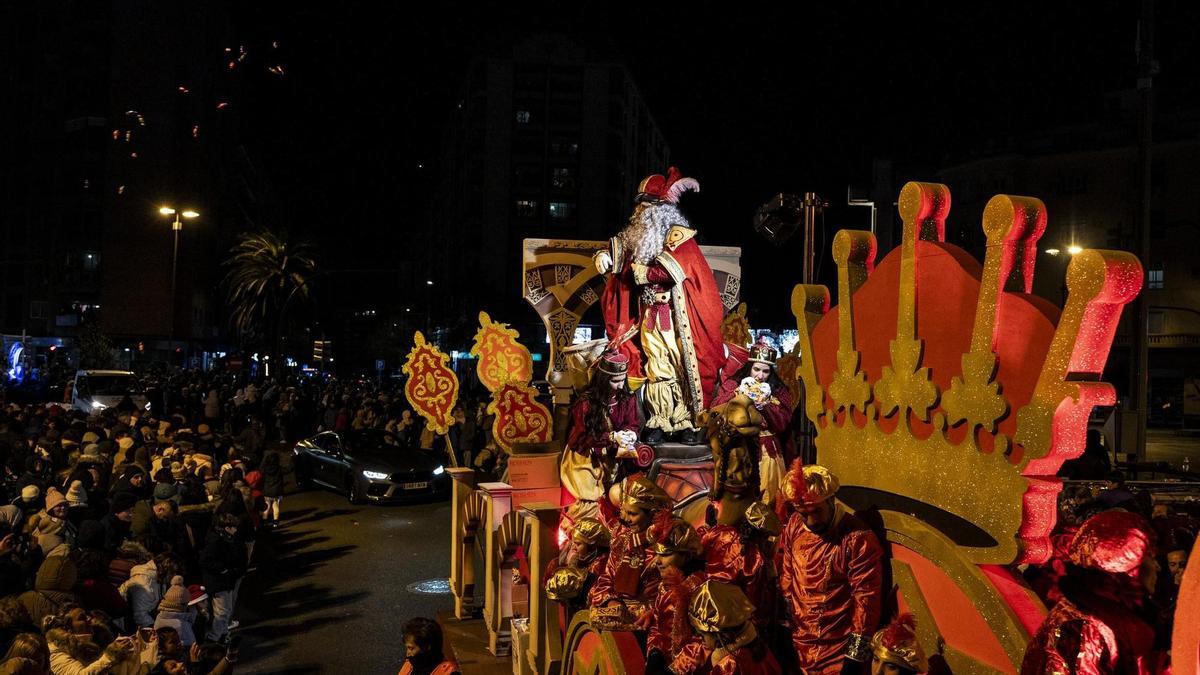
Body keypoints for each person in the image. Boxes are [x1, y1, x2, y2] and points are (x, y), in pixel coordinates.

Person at [594, 167, 726, 445]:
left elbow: (675, 270)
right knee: (657, 369)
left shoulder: (681, 238)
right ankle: (660, 420)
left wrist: (645, 274)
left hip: (677, 320)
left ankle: (687, 422)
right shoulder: (639, 237)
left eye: (645, 207)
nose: (639, 213)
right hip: (649, 317)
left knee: (681, 369)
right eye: (639, 207)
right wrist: (605, 257)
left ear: (661, 210)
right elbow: (623, 255)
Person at [1021, 510, 1166, 674]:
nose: (1158, 567)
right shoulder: (1081, 626)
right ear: (1126, 561)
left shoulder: (1111, 616)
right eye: (1150, 557)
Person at [779, 464, 883, 675]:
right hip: (798, 642)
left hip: (837, 650)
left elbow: (866, 600)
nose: (810, 521)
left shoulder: (857, 539)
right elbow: (788, 575)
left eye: (816, 511)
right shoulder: (794, 526)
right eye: (802, 513)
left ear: (831, 500)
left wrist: (854, 658)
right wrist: (784, 623)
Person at [560, 351, 640, 524]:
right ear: (603, 379)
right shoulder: (586, 403)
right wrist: (612, 436)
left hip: (612, 456)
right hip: (584, 457)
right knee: (587, 505)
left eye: (622, 380)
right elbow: (583, 436)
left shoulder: (626, 398)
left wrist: (630, 433)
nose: (620, 386)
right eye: (615, 381)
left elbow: (632, 422)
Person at [711, 339, 793, 504]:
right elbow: (715, 409)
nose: (760, 376)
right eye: (756, 369)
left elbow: (782, 423)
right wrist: (736, 394)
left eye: (765, 371)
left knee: (768, 499)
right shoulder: (733, 384)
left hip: (767, 451)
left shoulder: (777, 391)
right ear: (749, 368)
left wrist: (765, 405)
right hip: (738, 448)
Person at [587, 477, 672, 629]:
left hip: (652, 619)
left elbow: (677, 588)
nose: (625, 519)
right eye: (623, 511)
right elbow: (607, 576)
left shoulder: (666, 542)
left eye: (632, 514)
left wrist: (655, 612)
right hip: (619, 610)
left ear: (651, 514)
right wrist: (611, 602)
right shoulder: (622, 537)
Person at [642, 512, 706, 675]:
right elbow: (657, 626)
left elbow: (705, 641)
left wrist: (675, 669)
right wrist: (655, 652)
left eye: (665, 555)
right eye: (656, 553)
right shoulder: (665, 586)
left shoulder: (700, 589)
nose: (657, 561)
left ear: (686, 555)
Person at [687, 580, 782, 675]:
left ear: (718, 633)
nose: (702, 641)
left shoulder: (729, 666)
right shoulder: (759, 648)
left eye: (702, 635)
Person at [200, 514, 247, 643]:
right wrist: (224, 569)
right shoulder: (216, 541)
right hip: (219, 582)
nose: (236, 530)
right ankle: (214, 638)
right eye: (234, 527)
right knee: (222, 612)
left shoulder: (223, 539)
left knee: (226, 610)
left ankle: (223, 635)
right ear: (227, 528)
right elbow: (205, 560)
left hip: (225, 581)